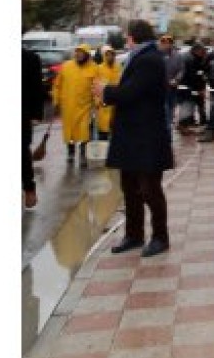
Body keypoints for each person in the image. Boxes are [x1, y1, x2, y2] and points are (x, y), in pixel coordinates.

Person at [93, 19, 174, 258]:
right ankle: (134, 234)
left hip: (147, 137)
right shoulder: (141, 56)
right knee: (129, 188)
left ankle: (160, 237)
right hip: (132, 136)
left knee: (150, 189)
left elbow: (132, 92)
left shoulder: (149, 60)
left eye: (128, 36)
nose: (126, 40)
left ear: (133, 37)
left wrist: (105, 91)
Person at [51, 43, 100, 164]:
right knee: (70, 133)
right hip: (68, 107)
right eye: (77, 52)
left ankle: (83, 154)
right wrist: (56, 101)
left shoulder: (94, 68)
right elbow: (57, 85)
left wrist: (98, 102)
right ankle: (71, 152)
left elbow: (97, 87)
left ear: (87, 55)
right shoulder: (66, 66)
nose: (78, 54)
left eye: (81, 52)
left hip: (85, 107)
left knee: (84, 133)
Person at [22, 46, 45, 209]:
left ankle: (29, 188)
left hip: (21, 114)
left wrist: (36, 114)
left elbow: (37, 88)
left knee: (21, 152)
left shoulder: (30, 59)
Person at [94, 45, 122, 140]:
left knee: (116, 130)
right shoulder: (99, 68)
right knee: (103, 131)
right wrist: (97, 101)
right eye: (107, 55)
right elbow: (95, 85)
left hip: (116, 104)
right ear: (104, 56)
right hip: (103, 105)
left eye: (112, 55)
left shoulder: (118, 68)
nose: (110, 57)